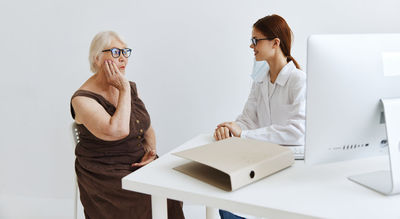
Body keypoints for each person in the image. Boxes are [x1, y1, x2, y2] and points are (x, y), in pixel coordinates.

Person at [70, 31, 185, 219]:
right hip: (105, 174)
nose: (123, 58)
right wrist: (123, 89)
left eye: (126, 52)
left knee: (173, 186)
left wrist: (151, 150)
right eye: (115, 52)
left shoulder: (127, 86)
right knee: (152, 196)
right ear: (97, 59)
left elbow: (145, 124)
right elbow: (119, 130)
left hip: (137, 162)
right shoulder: (82, 99)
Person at [213, 15, 306, 219]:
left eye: (256, 40)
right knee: (224, 204)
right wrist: (230, 129)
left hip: (290, 168)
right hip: (261, 160)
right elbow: (247, 119)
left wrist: (244, 135)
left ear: (275, 43)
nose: (251, 45)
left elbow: (298, 132)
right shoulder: (260, 80)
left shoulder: (297, 80)